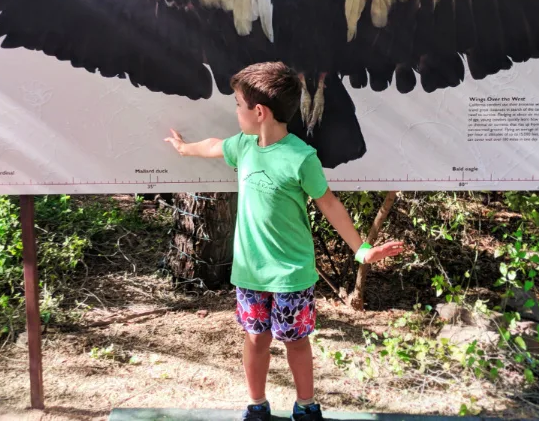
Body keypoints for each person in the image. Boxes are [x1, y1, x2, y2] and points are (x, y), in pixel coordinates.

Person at [165, 61, 406, 421]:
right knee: (256, 338)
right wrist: (185, 149)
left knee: (295, 341)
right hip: (250, 273)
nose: (235, 112)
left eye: (237, 105)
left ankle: (306, 406)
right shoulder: (243, 146)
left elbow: (330, 204)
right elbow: (215, 145)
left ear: (259, 112)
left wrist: (362, 250)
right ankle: (256, 405)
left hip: (292, 273)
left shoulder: (301, 157)